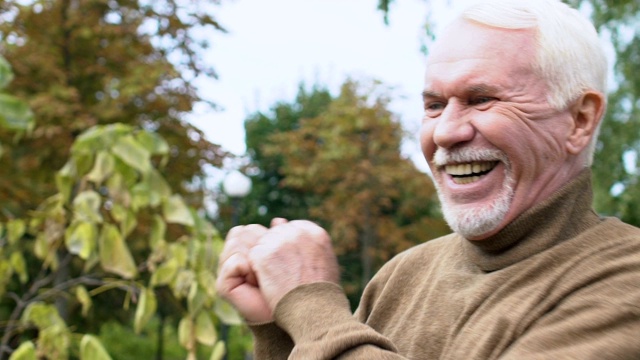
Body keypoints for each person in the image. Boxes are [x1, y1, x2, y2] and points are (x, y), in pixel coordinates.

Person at [216, 0, 640, 358]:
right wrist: (277, 324)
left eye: (482, 99)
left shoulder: (624, 282)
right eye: (434, 105)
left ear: (579, 120)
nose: (445, 132)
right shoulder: (402, 275)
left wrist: (312, 307)